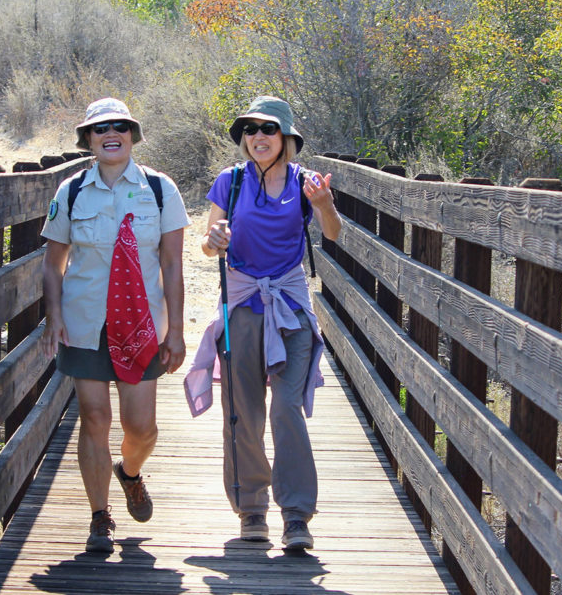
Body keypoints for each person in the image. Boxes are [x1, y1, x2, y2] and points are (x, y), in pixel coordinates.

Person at [184, 95, 341, 551]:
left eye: (268, 129)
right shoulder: (229, 183)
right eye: (250, 130)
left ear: (286, 137)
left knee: (285, 406)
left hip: (289, 307)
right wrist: (214, 241)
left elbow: (331, 233)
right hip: (242, 303)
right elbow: (210, 246)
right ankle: (251, 509)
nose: (258, 137)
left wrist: (326, 204)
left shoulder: (306, 183)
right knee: (243, 412)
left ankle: (296, 515)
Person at [41, 97, 190, 553]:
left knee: (141, 427)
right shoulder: (70, 192)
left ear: (132, 135)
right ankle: (99, 517)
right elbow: (53, 264)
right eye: (100, 127)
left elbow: (172, 264)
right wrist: (54, 316)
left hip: (142, 324)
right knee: (94, 417)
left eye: (120, 126)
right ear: (87, 139)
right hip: (86, 322)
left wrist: (177, 330)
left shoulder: (160, 189)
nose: (112, 133)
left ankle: (129, 473)